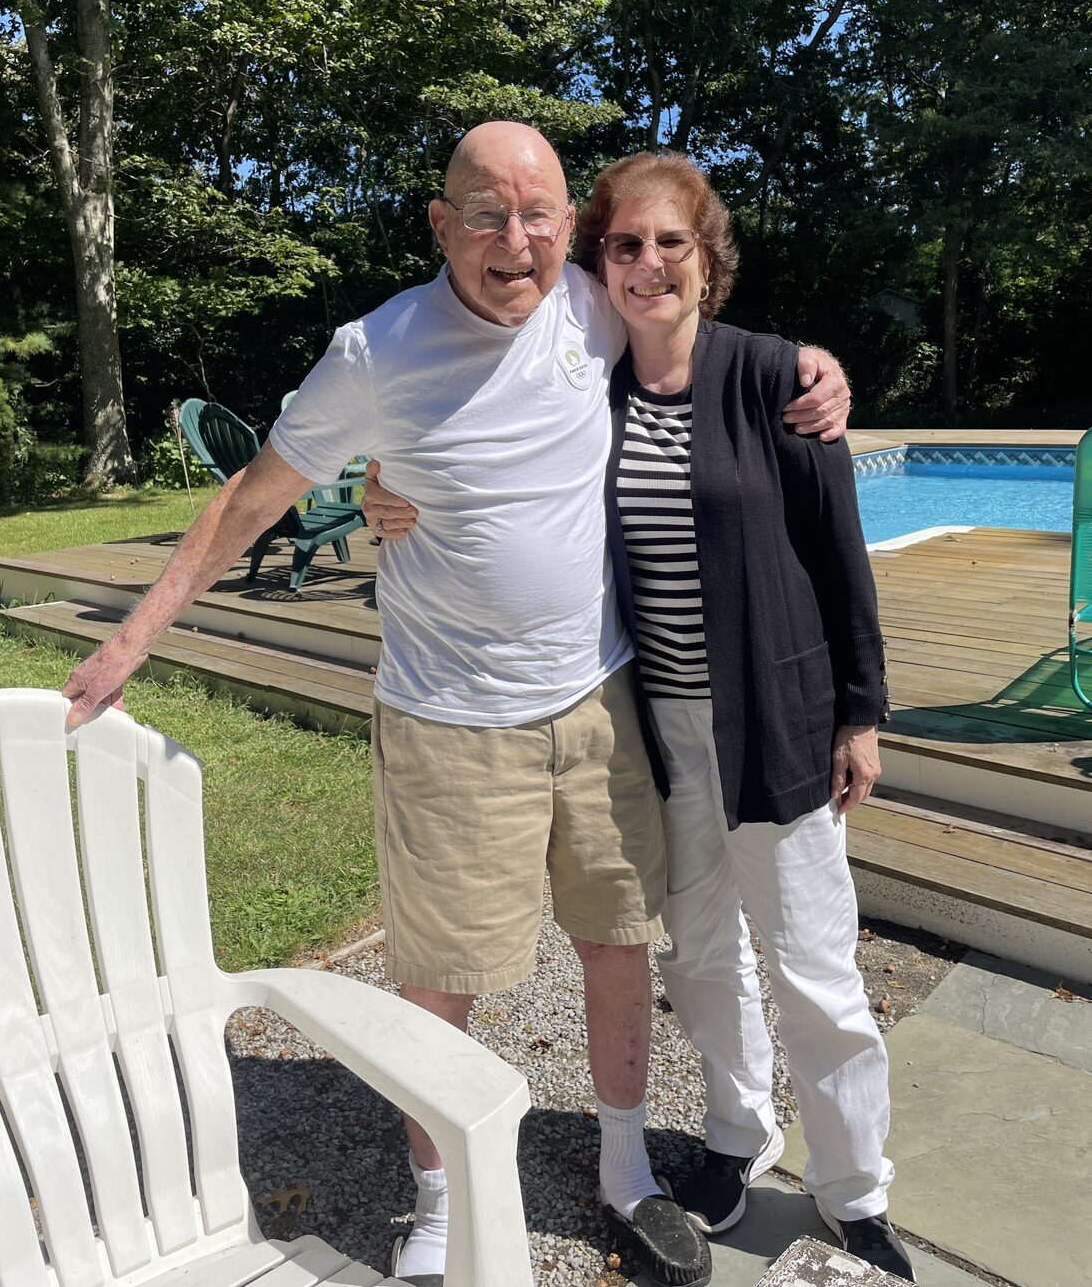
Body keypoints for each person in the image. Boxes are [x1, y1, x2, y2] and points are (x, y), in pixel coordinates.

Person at [61, 123, 849, 1287]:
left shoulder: (591, 304)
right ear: (441, 225)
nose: (515, 240)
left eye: (538, 214)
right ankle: (436, 1201)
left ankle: (626, 1169)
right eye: (485, 213)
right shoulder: (376, 354)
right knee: (440, 969)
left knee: (617, 938)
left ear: (569, 224)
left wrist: (811, 362)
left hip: (601, 696)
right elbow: (256, 492)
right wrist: (132, 638)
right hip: (448, 718)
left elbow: (693, 329)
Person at [578, 151, 913, 1281]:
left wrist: (859, 714)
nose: (648, 263)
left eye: (670, 241)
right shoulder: (590, 388)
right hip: (654, 729)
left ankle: (856, 1189)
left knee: (815, 966)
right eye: (625, 244)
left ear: (706, 259)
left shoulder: (777, 379)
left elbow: (840, 556)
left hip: (773, 718)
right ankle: (737, 1136)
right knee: (704, 952)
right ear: (602, 262)